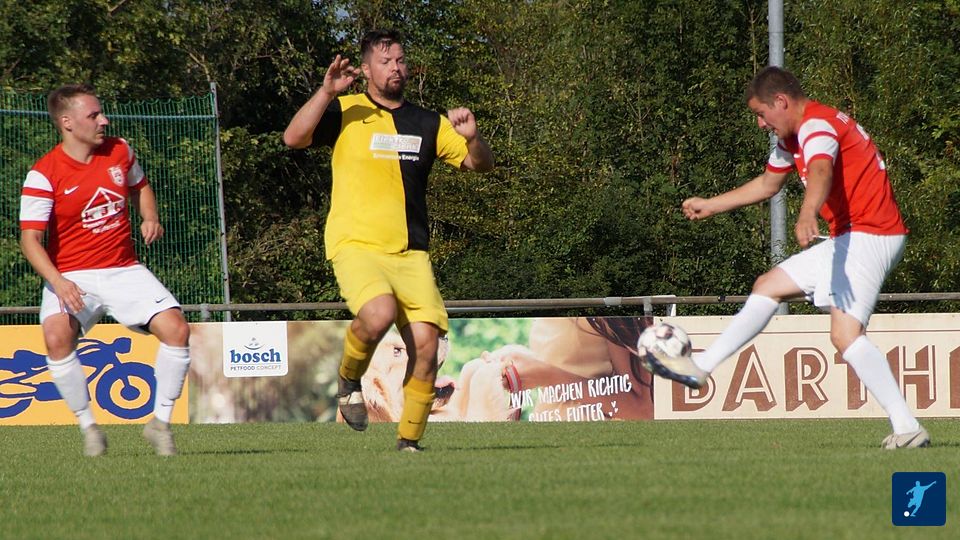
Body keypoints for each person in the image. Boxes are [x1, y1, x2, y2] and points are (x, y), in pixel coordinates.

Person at [650, 66, 927, 449]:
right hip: (852, 236)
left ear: (781, 101)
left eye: (761, 113)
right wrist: (712, 205)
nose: (761, 123)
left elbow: (821, 170)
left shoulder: (816, 125)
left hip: (871, 236)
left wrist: (807, 212)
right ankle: (701, 368)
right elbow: (769, 184)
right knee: (768, 286)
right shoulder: (793, 138)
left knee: (845, 336)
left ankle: (907, 427)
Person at [283, 29, 494, 452]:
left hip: (412, 254)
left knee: (427, 347)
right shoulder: (346, 110)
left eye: (400, 60)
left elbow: (480, 165)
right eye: (385, 61)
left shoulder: (428, 122)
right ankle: (349, 378)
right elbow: (294, 138)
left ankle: (408, 445)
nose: (395, 68)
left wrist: (473, 138)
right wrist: (326, 92)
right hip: (357, 245)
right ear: (366, 69)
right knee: (378, 313)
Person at [19, 84, 191, 456]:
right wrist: (58, 282)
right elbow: (30, 241)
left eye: (101, 113)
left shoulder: (119, 150)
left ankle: (160, 425)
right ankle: (90, 428)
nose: (104, 121)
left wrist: (150, 216)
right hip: (71, 274)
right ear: (67, 122)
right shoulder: (43, 174)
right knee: (56, 338)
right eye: (94, 115)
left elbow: (140, 186)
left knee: (177, 329)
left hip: (123, 268)